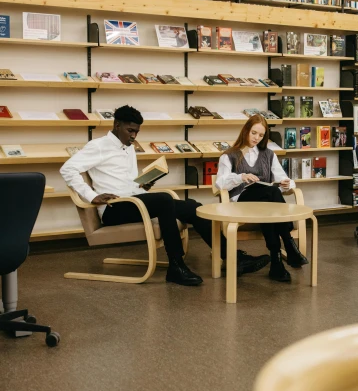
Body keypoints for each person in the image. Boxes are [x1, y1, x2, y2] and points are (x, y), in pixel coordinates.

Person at [60, 105, 269, 287]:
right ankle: (176, 266)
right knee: (164, 200)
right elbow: (67, 169)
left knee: (194, 207)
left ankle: (233, 258)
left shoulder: (128, 148)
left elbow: (128, 183)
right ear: (117, 125)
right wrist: (91, 195)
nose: (133, 136)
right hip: (114, 208)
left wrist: (143, 184)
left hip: (133, 201)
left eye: (136, 131)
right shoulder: (97, 146)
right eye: (130, 130)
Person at [215, 114, 308, 283]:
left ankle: (276, 262)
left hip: (266, 202)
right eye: (254, 133)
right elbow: (220, 184)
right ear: (245, 131)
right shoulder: (229, 155)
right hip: (241, 202)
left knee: (270, 197)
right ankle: (288, 245)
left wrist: (286, 184)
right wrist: (240, 177)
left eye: (261, 135)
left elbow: (283, 179)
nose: (257, 138)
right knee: (270, 195)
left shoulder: (268, 154)